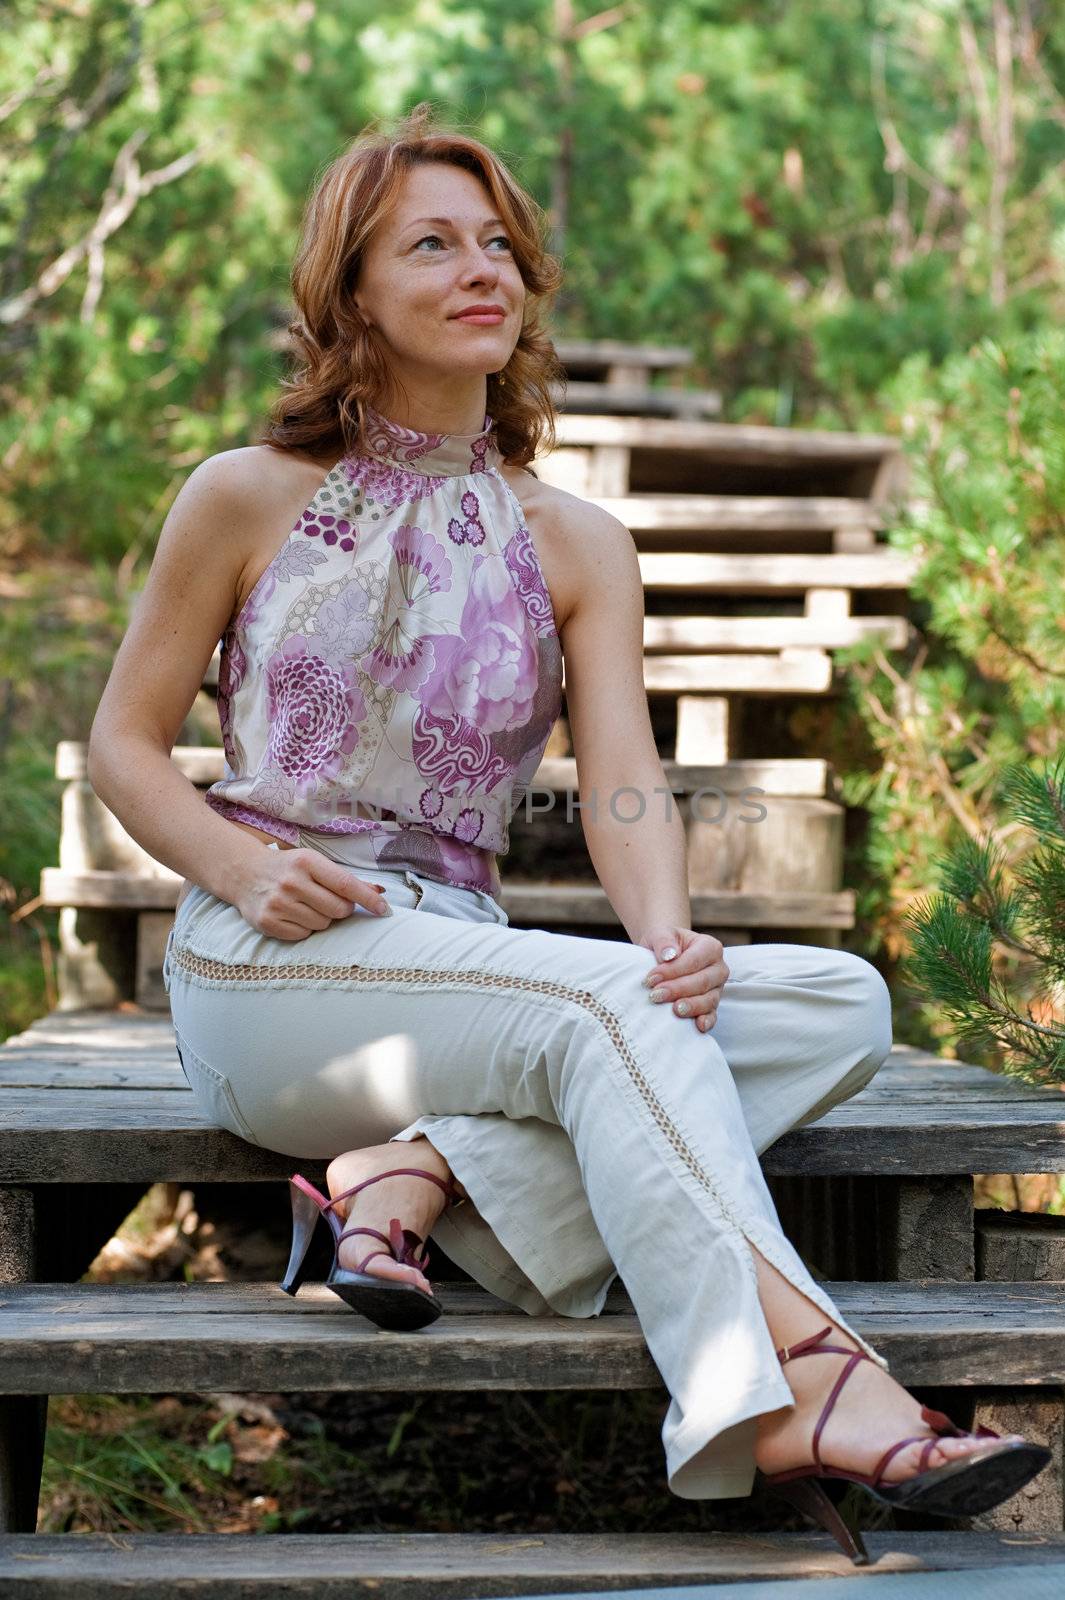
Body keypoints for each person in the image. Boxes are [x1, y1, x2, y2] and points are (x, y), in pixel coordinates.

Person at [87, 102, 1047, 1557]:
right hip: (272, 975)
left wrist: (666, 936)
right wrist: (235, 863)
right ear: (349, 291)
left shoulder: (578, 542)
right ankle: (787, 1384)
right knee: (601, 1018)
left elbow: (617, 780)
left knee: (832, 1001)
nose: (484, 269)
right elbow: (122, 744)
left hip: (472, 967)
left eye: (499, 246)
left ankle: (406, 1173)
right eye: (431, 244)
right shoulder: (244, 495)